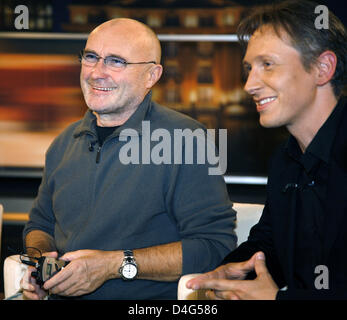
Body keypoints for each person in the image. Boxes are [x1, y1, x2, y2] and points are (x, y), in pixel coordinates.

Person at [20, 18, 236, 300]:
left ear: (152, 76)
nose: (97, 72)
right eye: (91, 57)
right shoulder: (62, 144)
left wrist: (113, 265)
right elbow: (39, 225)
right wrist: (40, 263)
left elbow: (214, 247)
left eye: (116, 61)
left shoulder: (187, 139)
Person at [187, 0, 347, 300]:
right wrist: (227, 274)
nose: (249, 85)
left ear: (322, 68)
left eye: (267, 65)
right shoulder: (285, 161)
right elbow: (268, 244)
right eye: (249, 68)